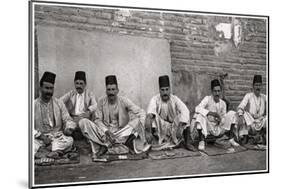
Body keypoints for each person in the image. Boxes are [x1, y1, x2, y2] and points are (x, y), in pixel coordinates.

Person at [77, 75, 150, 160]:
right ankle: (112, 145)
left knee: (137, 121)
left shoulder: (124, 101)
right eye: (109, 90)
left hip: (122, 133)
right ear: (106, 91)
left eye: (113, 89)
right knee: (83, 122)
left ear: (117, 90)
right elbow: (98, 120)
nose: (111, 92)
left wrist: (145, 129)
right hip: (105, 134)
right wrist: (106, 131)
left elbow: (141, 112)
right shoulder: (101, 101)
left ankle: (107, 146)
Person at [146, 75, 196, 151]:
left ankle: (187, 143)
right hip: (161, 129)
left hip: (174, 129)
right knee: (152, 117)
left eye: (167, 89)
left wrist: (180, 125)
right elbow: (149, 115)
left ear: (170, 89)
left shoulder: (174, 99)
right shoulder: (155, 99)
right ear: (159, 90)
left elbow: (185, 110)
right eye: (162, 90)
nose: (165, 92)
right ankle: (153, 142)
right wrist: (148, 132)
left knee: (184, 117)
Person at [34, 71, 76, 159]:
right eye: (46, 88)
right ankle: (56, 152)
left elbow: (67, 118)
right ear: (40, 88)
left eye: (51, 88)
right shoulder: (33, 105)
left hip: (57, 138)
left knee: (70, 140)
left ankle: (44, 152)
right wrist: (41, 137)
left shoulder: (59, 103)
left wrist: (69, 128)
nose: (49, 91)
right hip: (40, 139)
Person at [191, 79, 240, 151]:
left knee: (232, 113)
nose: (217, 93)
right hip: (208, 126)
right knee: (199, 115)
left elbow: (224, 117)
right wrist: (212, 113)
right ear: (211, 91)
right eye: (215, 91)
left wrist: (220, 120)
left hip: (218, 127)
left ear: (221, 91)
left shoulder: (223, 103)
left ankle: (231, 138)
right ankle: (202, 141)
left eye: (219, 91)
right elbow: (197, 108)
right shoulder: (207, 99)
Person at [60, 71, 97, 137]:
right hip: (72, 119)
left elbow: (95, 105)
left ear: (85, 84)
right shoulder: (71, 93)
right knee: (68, 129)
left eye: (81, 83)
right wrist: (65, 113)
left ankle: (81, 134)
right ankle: (74, 133)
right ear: (74, 84)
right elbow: (59, 101)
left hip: (83, 119)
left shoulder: (89, 94)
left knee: (85, 123)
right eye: (77, 83)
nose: (79, 86)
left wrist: (89, 111)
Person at [237, 75, 266, 144]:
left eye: (259, 85)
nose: (258, 87)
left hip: (261, 122)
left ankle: (263, 136)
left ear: (261, 86)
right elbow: (240, 107)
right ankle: (245, 136)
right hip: (251, 121)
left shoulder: (264, 97)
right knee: (244, 113)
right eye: (256, 85)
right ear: (253, 86)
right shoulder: (248, 95)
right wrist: (240, 116)